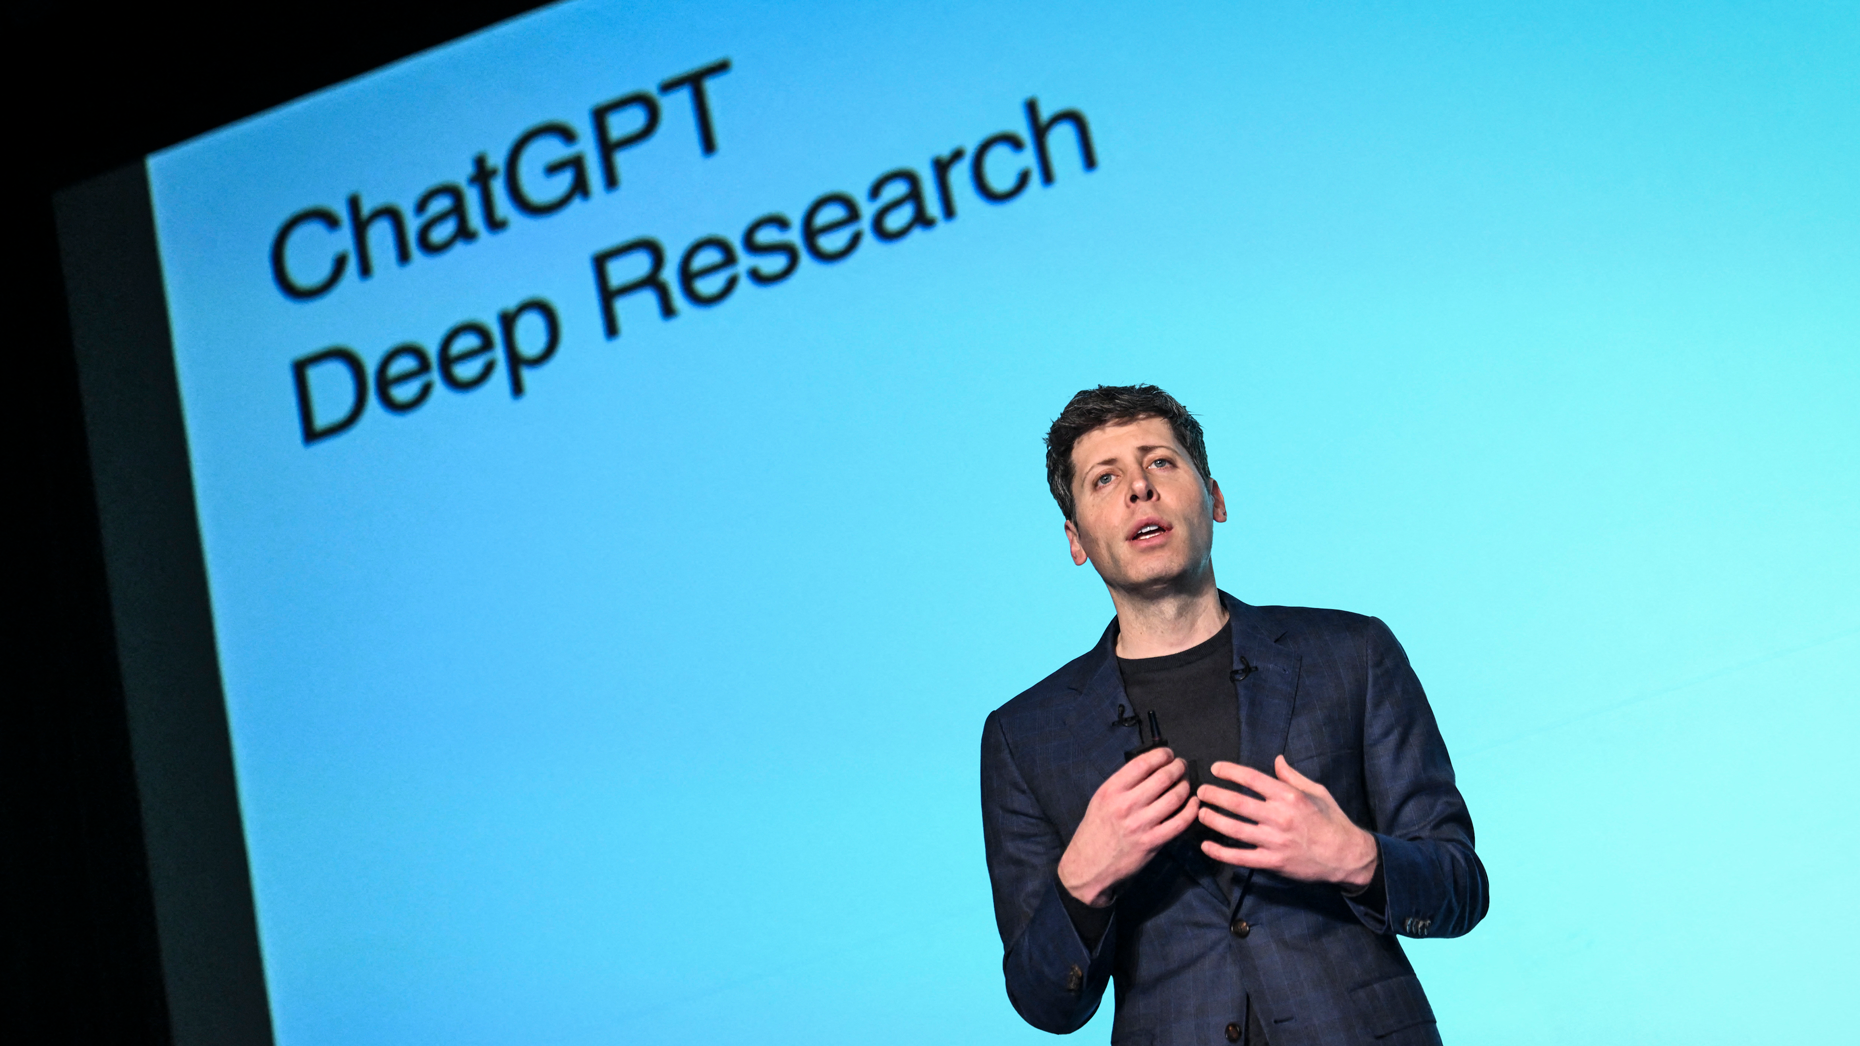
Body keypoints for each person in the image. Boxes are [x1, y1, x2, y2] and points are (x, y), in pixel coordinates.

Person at [980, 385, 1488, 1046]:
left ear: (1214, 499)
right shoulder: (1025, 736)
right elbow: (1044, 1000)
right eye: (1105, 479)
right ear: (1076, 539)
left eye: (1159, 462)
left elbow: (1460, 885)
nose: (1139, 489)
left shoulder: (1352, 655)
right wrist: (1082, 883)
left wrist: (1356, 857)